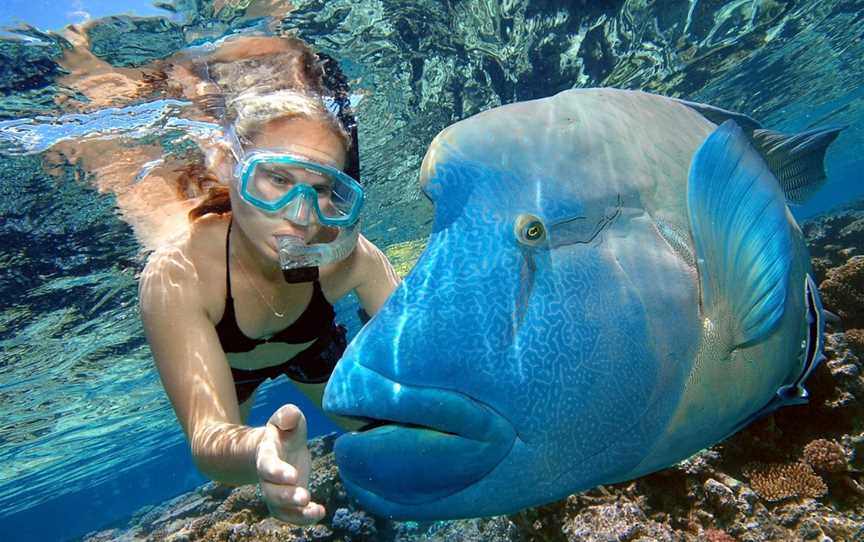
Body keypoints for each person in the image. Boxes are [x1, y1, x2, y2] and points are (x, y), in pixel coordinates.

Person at [137, 35, 400, 525]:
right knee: (228, 474)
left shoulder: (348, 258)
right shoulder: (182, 275)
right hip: (233, 366)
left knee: (372, 425)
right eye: (276, 180)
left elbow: (425, 347)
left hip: (310, 343)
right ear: (227, 164)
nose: (299, 218)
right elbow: (209, 439)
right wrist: (260, 447)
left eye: (323, 189)